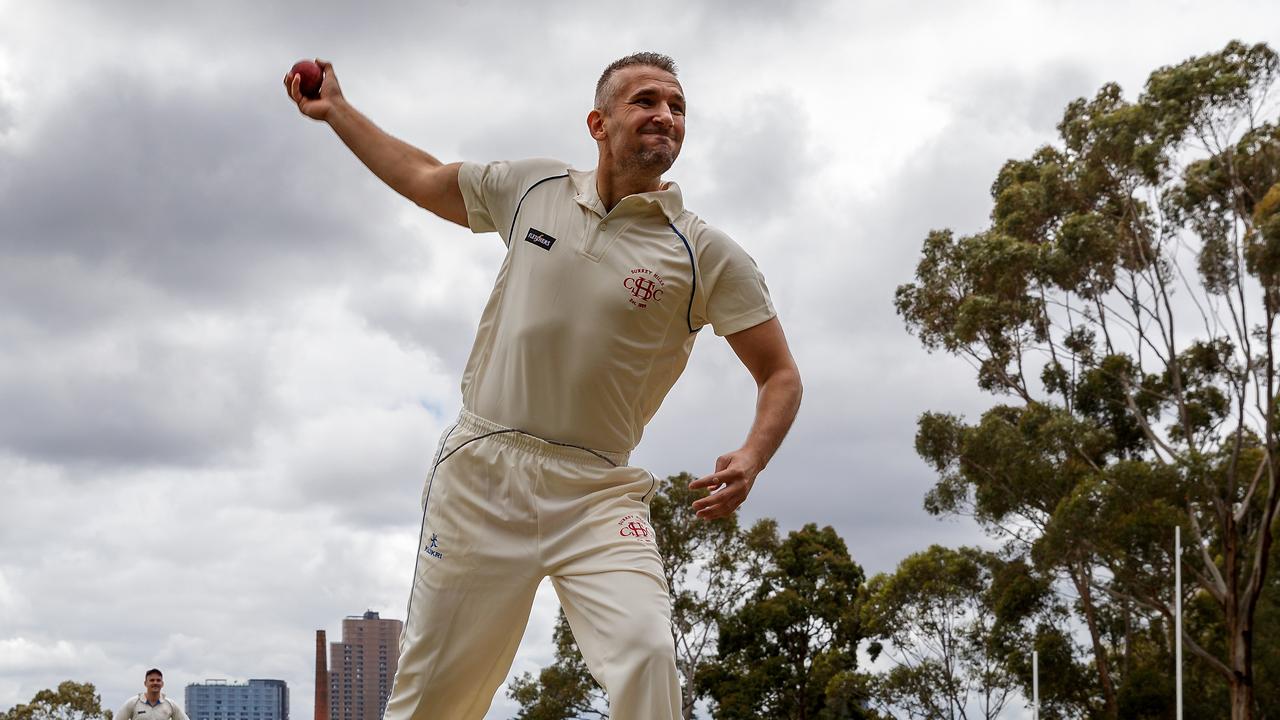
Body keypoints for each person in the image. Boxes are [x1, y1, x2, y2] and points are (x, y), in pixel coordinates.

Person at [284, 51, 802, 719]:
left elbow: (780, 375)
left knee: (647, 654)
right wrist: (338, 112)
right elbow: (422, 176)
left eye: (677, 108)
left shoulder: (706, 255)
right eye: (646, 101)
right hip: (482, 473)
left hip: (597, 490)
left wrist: (754, 454)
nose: (665, 116)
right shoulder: (534, 188)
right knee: (437, 700)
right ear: (599, 121)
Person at [114, 669, 191, 720]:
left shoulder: (170, 704)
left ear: (162, 683)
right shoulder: (133, 703)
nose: (155, 683)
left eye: (158, 680)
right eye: (152, 680)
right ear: (145, 683)